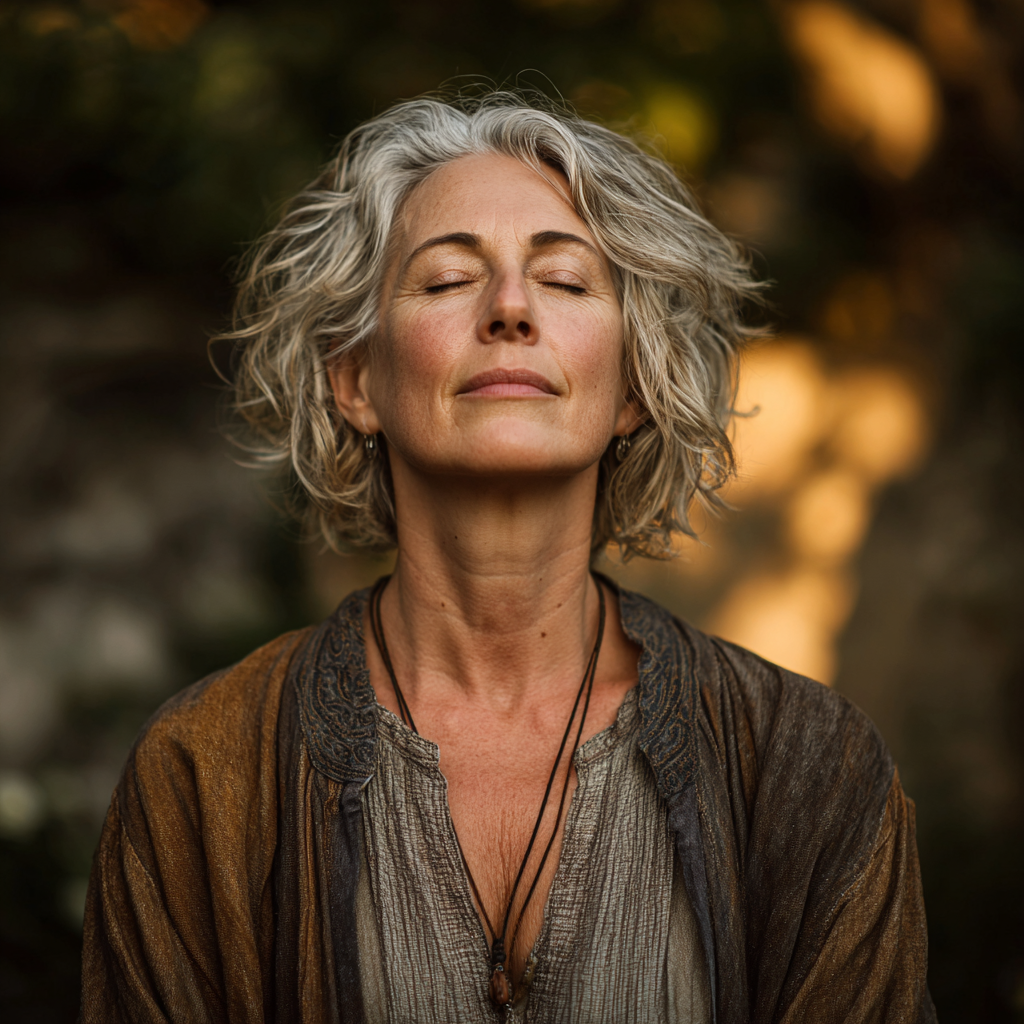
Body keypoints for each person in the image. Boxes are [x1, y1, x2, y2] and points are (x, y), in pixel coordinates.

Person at [80, 90, 936, 1023]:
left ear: (632, 389)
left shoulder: (811, 769)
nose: (511, 309)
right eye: (448, 281)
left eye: (566, 282)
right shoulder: (201, 774)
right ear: (355, 379)